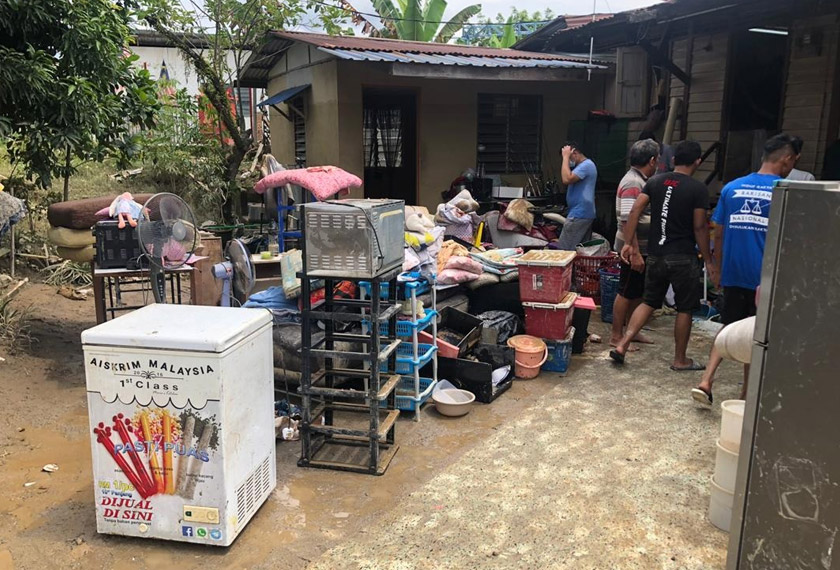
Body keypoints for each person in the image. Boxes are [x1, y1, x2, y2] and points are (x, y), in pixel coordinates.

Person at [692, 134, 797, 405]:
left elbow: (718, 232)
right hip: (766, 278)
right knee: (757, 336)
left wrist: (714, 266)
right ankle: (745, 394)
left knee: (728, 327)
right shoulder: (784, 191)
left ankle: (706, 380)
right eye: (793, 160)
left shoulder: (732, 188)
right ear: (786, 158)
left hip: (734, 273)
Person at [609, 140, 718, 370]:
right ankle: (680, 360)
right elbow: (699, 227)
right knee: (685, 308)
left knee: (648, 301)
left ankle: (623, 345)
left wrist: (630, 244)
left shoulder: (655, 182)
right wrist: (708, 259)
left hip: (656, 254)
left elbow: (635, 211)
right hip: (683, 256)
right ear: (697, 162)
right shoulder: (697, 189)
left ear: (673, 160)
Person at [610, 139, 660, 349]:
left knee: (638, 292)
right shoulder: (633, 183)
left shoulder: (642, 180)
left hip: (640, 246)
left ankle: (632, 331)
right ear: (651, 160)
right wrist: (635, 252)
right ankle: (616, 336)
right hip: (632, 247)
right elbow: (628, 219)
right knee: (626, 291)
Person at [558, 142, 597, 250]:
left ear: (575, 153)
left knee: (564, 251)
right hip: (583, 213)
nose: (567, 161)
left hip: (579, 214)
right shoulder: (582, 167)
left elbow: (566, 179)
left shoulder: (586, 165)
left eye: (570, 157)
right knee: (580, 252)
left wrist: (565, 157)